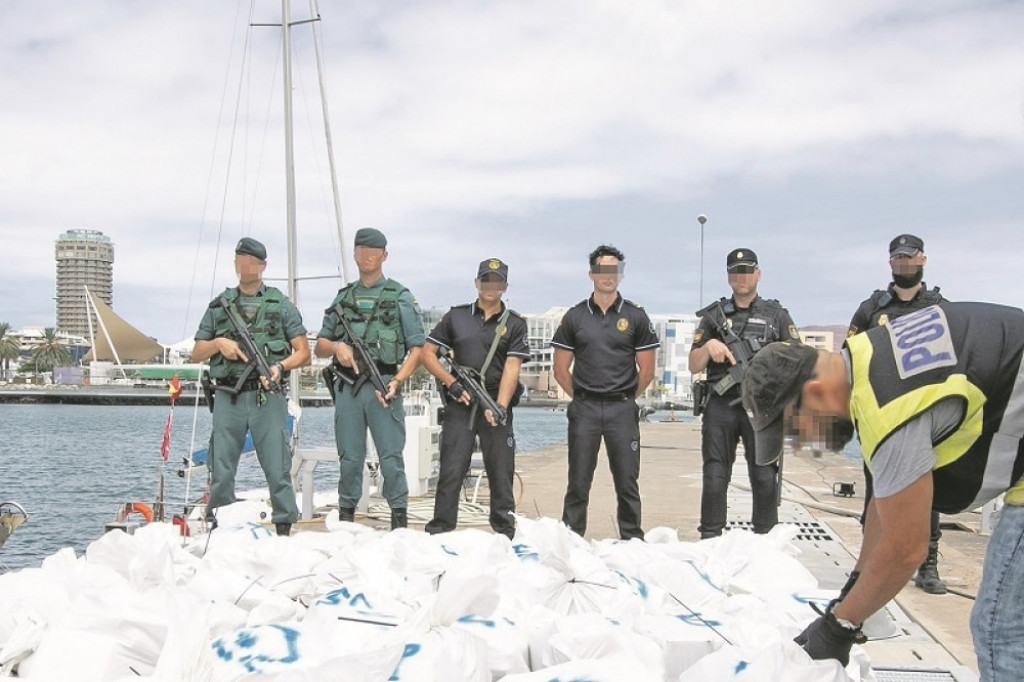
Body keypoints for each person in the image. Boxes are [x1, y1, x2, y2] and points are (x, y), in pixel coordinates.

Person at [741, 303, 1024, 680]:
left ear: (814, 392)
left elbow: (905, 549)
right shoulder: (869, 356)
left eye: (795, 431)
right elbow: (885, 503)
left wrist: (839, 628)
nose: (803, 443)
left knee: (999, 629)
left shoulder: (887, 409)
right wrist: (853, 589)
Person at [848, 233, 949, 594]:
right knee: (876, 490)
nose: (905, 264)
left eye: (911, 257)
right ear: (890, 263)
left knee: (927, 492)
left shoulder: (940, 308)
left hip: (923, 412)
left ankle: (928, 564)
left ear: (923, 260)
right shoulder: (871, 309)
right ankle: (869, 563)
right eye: (899, 258)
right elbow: (850, 356)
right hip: (881, 415)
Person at [190, 237, 310, 536]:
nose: (244, 267)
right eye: (240, 261)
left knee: (277, 465)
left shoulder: (281, 305)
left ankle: (284, 527)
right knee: (221, 466)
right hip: (228, 396)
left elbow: (303, 352)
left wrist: (280, 367)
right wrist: (219, 343)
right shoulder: (219, 306)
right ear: (235, 264)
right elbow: (197, 352)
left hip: (266, 396)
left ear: (262, 266)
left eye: (250, 262)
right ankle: (220, 525)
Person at [315, 228, 425, 530]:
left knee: (391, 458)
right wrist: (337, 347)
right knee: (350, 458)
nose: (366, 257)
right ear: (354, 254)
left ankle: (399, 523)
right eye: (361, 251)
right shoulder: (343, 298)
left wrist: (397, 381)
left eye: (373, 252)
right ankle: (346, 520)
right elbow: (320, 345)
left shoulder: (400, 297)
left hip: (384, 385)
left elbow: (418, 348)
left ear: (384, 256)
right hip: (349, 389)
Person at [687, 248, 801, 539]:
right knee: (715, 475)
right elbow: (693, 364)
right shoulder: (713, 317)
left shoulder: (776, 316)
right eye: (736, 272)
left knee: (764, 476)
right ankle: (710, 539)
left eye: (748, 271)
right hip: (721, 404)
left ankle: (766, 541)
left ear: (758, 274)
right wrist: (708, 347)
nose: (742, 277)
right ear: (728, 277)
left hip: (761, 406)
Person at [550, 244, 659, 540]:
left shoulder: (636, 316)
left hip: (621, 409)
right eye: (602, 269)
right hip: (584, 409)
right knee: (578, 481)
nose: (608, 276)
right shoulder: (574, 317)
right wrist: (583, 396)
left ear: (621, 275)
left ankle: (632, 539)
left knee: (627, 482)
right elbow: (560, 370)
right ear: (591, 274)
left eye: (614, 270)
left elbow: (647, 371)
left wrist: (625, 397)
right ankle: (571, 540)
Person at [420, 258, 531, 540]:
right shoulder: (456, 317)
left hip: (495, 400)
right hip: (461, 402)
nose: (491, 286)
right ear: (476, 282)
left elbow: (512, 367)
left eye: (497, 281)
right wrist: (452, 383)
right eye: (486, 280)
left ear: (505, 286)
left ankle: (505, 532)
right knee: (451, 468)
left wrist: (500, 407)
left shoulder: (515, 323)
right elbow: (427, 353)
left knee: (501, 470)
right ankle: (440, 530)